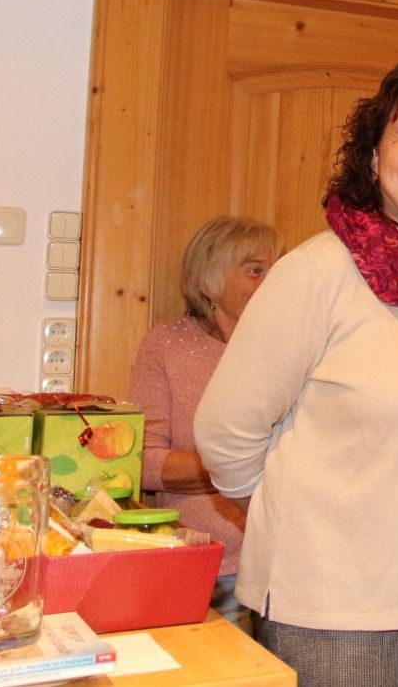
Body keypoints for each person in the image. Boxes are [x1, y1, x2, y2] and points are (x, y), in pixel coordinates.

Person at [194, 55, 398, 687]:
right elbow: (225, 432)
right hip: (343, 605)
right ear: (372, 159)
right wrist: (305, 516)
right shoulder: (316, 273)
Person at [129, 214, 283, 633]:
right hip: (207, 567)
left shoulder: (294, 344)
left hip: (289, 567)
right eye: (255, 270)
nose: (273, 282)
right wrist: (241, 466)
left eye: (278, 270)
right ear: (208, 282)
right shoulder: (167, 345)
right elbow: (142, 462)